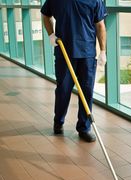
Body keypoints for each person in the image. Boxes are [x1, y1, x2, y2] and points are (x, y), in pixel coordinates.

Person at [41, 0, 107, 142]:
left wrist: (103, 51)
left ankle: (84, 128)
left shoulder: (95, 0)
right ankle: (58, 122)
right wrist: (51, 35)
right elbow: (45, 15)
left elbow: (100, 25)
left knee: (87, 91)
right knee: (63, 91)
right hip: (64, 53)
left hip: (87, 54)